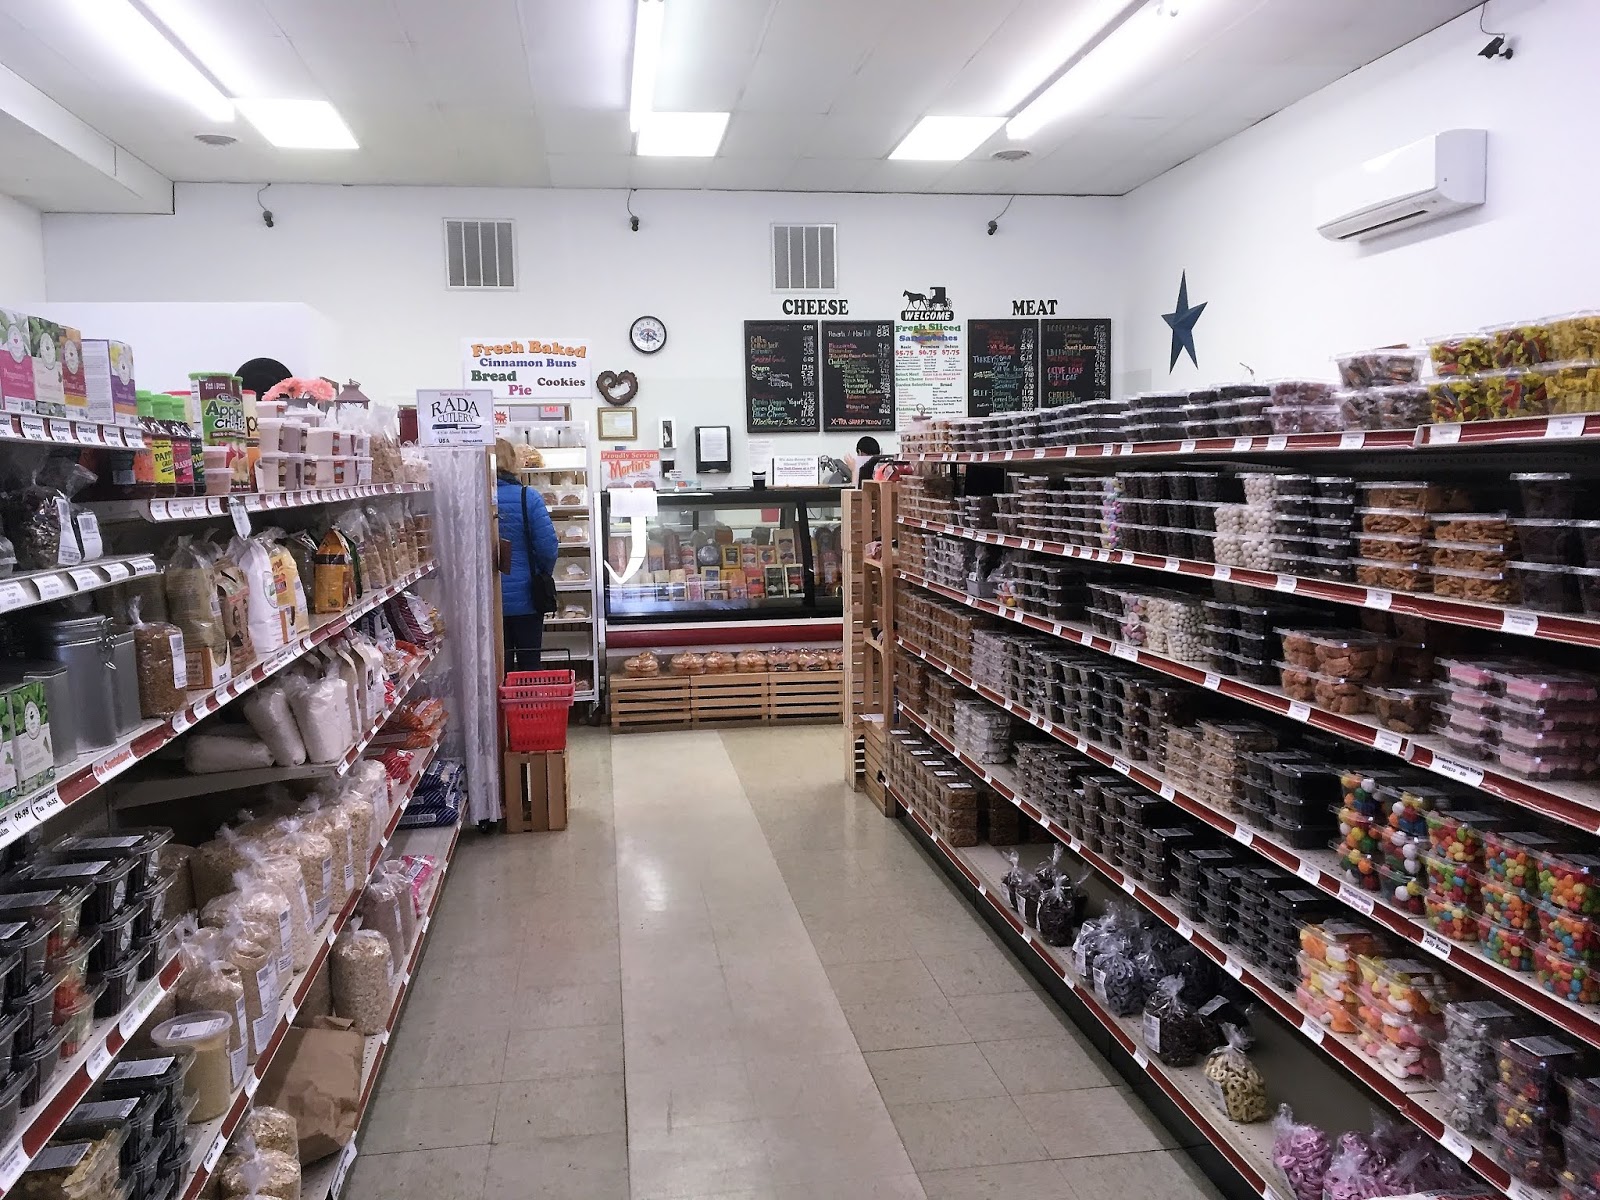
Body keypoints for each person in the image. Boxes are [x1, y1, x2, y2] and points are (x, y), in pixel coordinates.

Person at [495, 438, 558, 671]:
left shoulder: (474, 499)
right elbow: (548, 548)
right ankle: (526, 696)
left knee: (497, 668)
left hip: (489, 601)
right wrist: (541, 573)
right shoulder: (527, 497)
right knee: (529, 666)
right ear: (512, 461)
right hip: (527, 598)